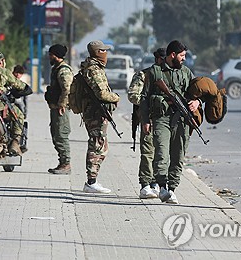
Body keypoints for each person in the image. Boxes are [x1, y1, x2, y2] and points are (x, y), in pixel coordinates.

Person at [140, 40, 199, 204]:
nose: (184, 59)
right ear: (172, 55)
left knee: (178, 155)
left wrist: (197, 103)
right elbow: (144, 98)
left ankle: (172, 189)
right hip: (161, 118)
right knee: (161, 153)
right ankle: (162, 186)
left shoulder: (186, 72)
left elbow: (197, 92)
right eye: (182, 56)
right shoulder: (155, 72)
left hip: (181, 119)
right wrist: (145, 120)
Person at [80, 40, 120, 193]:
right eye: (104, 51)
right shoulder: (94, 70)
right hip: (95, 113)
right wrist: (116, 97)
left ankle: (92, 180)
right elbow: (102, 93)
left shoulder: (93, 68)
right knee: (96, 145)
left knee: (101, 146)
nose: (106, 54)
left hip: (96, 112)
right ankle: (91, 182)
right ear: (98, 53)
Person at [127, 48, 166, 199]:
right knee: (148, 153)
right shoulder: (144, 75)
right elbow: (133, 95)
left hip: (163, 121)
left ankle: (156, 182)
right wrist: (149, 104)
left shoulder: (168, 75)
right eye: (163, 59)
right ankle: (145, 184)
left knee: (161, 153)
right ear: (158, 59)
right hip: (148, 119)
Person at [44, 44, 74, 174]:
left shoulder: (63, 70)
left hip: (60, 108)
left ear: (56, 55)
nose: (49, 57)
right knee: (56, 135)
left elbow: (67, 89)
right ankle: (62, 162)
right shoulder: (56, 69)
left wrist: (62, 104)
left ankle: (66, 164)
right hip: (55, 107)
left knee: (61, 135)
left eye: (51, 55)